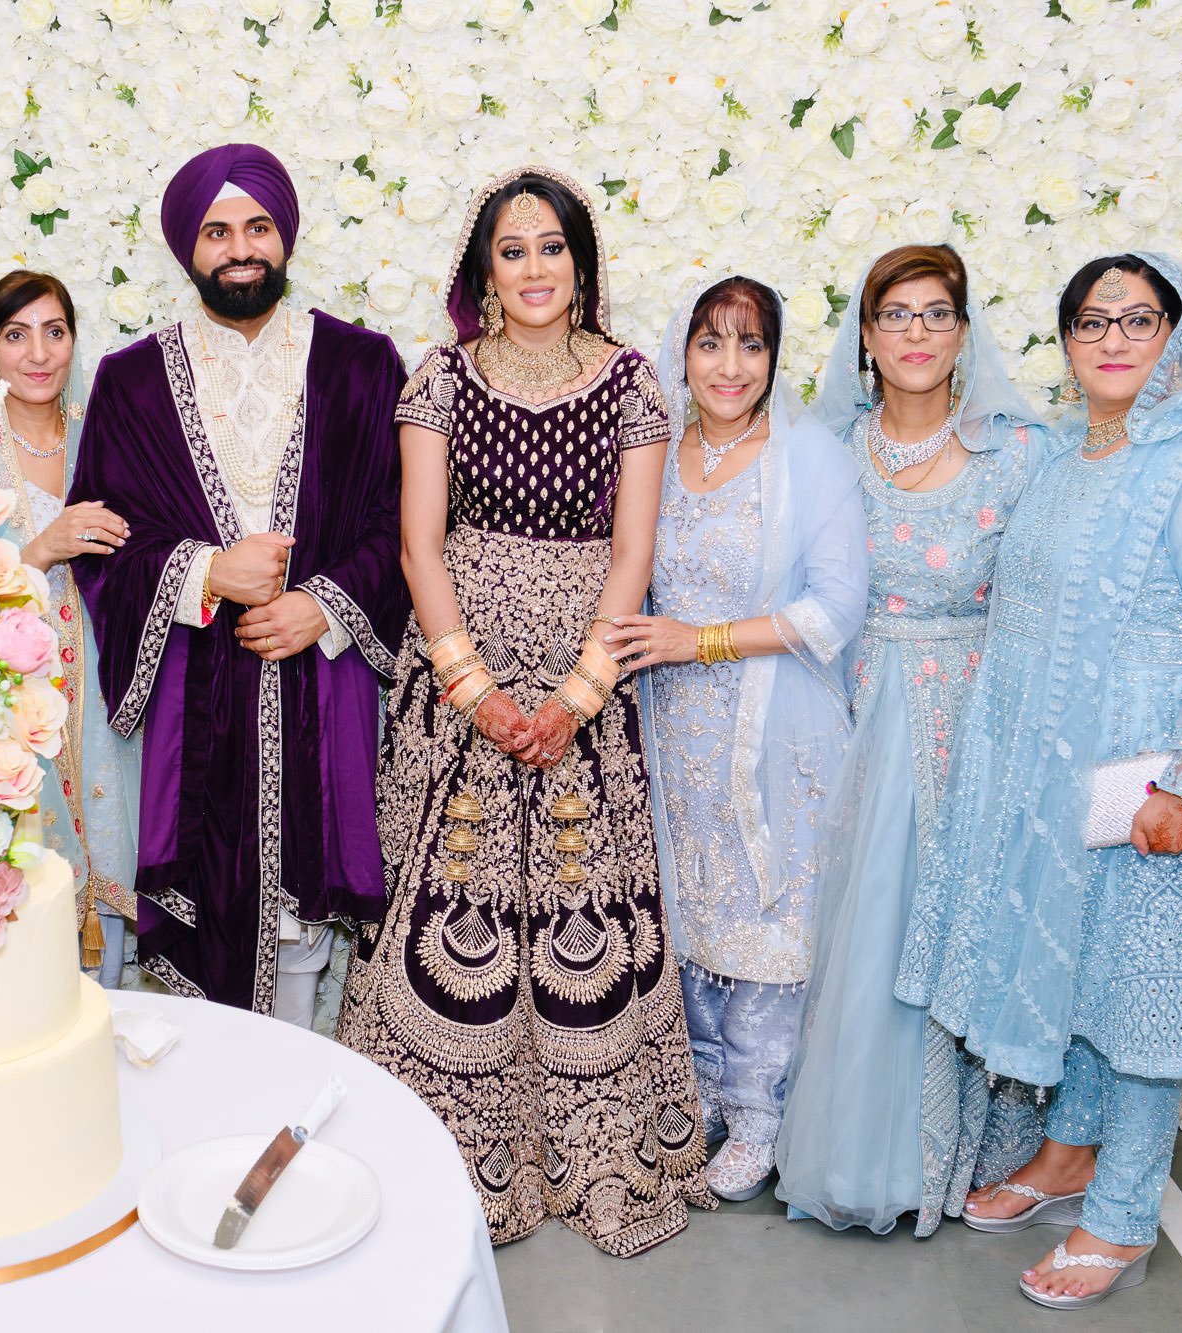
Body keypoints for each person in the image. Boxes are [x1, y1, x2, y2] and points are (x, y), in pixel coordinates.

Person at [897, 254, 1182, 1308]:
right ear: (1066, 341)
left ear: (1174, 336)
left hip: (1151, 770)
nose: (1114, 340)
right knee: (1081, 973)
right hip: (1054, 767)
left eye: (1138, 320)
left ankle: (1123, 1211)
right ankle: (1067, 1153)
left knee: (1140, 992)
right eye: (1091, 321)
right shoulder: (1071, 459)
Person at [339, 167, 713, 1255]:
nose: (535, 269)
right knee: (446, 905)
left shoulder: (631, 385)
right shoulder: (439, 381)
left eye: (552, 248)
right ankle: (439, 1152)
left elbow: (633, 550)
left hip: (582, 683)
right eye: (513, 250)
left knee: (574, 914)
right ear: (483, 271)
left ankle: (585, 1153)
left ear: (580, 265)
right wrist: (476, 689)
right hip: (460, 680)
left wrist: (577, 698)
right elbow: (417, 543)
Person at [68, 144, 408, 1023]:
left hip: (322, 689)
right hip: (199, 702)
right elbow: (103, 541)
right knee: (208, 942)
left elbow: (400, 522)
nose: (240, 248)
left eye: (257, 226)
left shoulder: (360, 365)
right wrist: (203, 572)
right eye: (216, 231)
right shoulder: (132, 381)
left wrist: (320, 606)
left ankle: (288, 1126)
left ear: (285, 236)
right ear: (188, 249)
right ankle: (219, 1133)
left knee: (305, 932)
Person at [774, 244, 1046, 1236]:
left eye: (937, 314)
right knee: (866, 924)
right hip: (852, 712)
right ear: (865, 337)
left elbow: (1048, 603)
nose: (917, 334)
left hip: (979, 714)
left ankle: (972, 1148)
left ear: (963, 334)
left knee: (968, 922)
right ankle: (865, 1150)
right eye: (896, 314)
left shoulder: (1018, 454)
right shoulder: (823, 451)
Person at [605, 274, 867, 1202]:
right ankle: (706, 1087)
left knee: (766, 915)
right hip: (671, 723)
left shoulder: (808, 456)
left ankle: (762, 1111)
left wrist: (697, 640)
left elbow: (837, 606)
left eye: (750, 345)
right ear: (682, 351)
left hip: (776, 725)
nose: (729, 365)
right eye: (710, 343)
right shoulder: (657, 451)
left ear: (774, 358)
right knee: (692, 903)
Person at [0, 270, 139, 987]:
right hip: (9, 705)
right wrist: (38, 551)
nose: (38, 353)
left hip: (106, 698)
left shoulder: (110, 441)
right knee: (26, 921)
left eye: (54, 332)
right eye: (16, 334)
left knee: (115, 890)